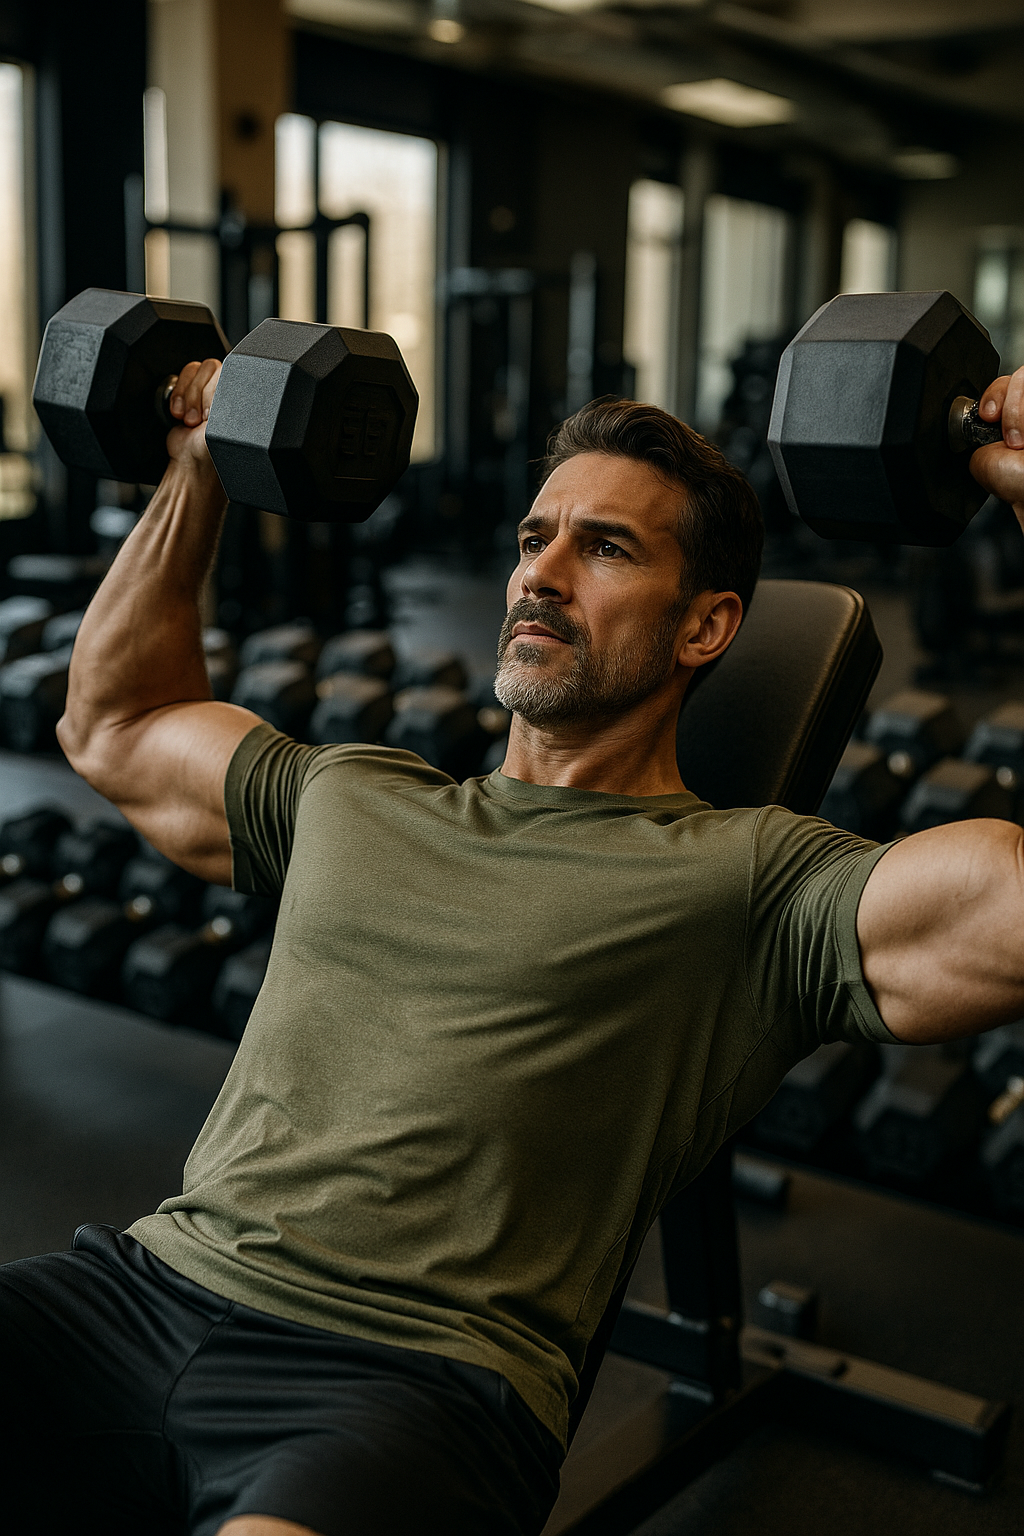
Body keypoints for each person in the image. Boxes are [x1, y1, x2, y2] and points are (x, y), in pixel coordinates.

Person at [2, 359, 1024, 1536]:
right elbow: (116, 722)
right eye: (535, 540)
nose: (538, 574)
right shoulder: (350, 790)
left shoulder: (753, 880)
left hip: (406, 1382)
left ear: (707, 624)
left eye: (603, 549)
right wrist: (196, 469)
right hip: (136, 1291)